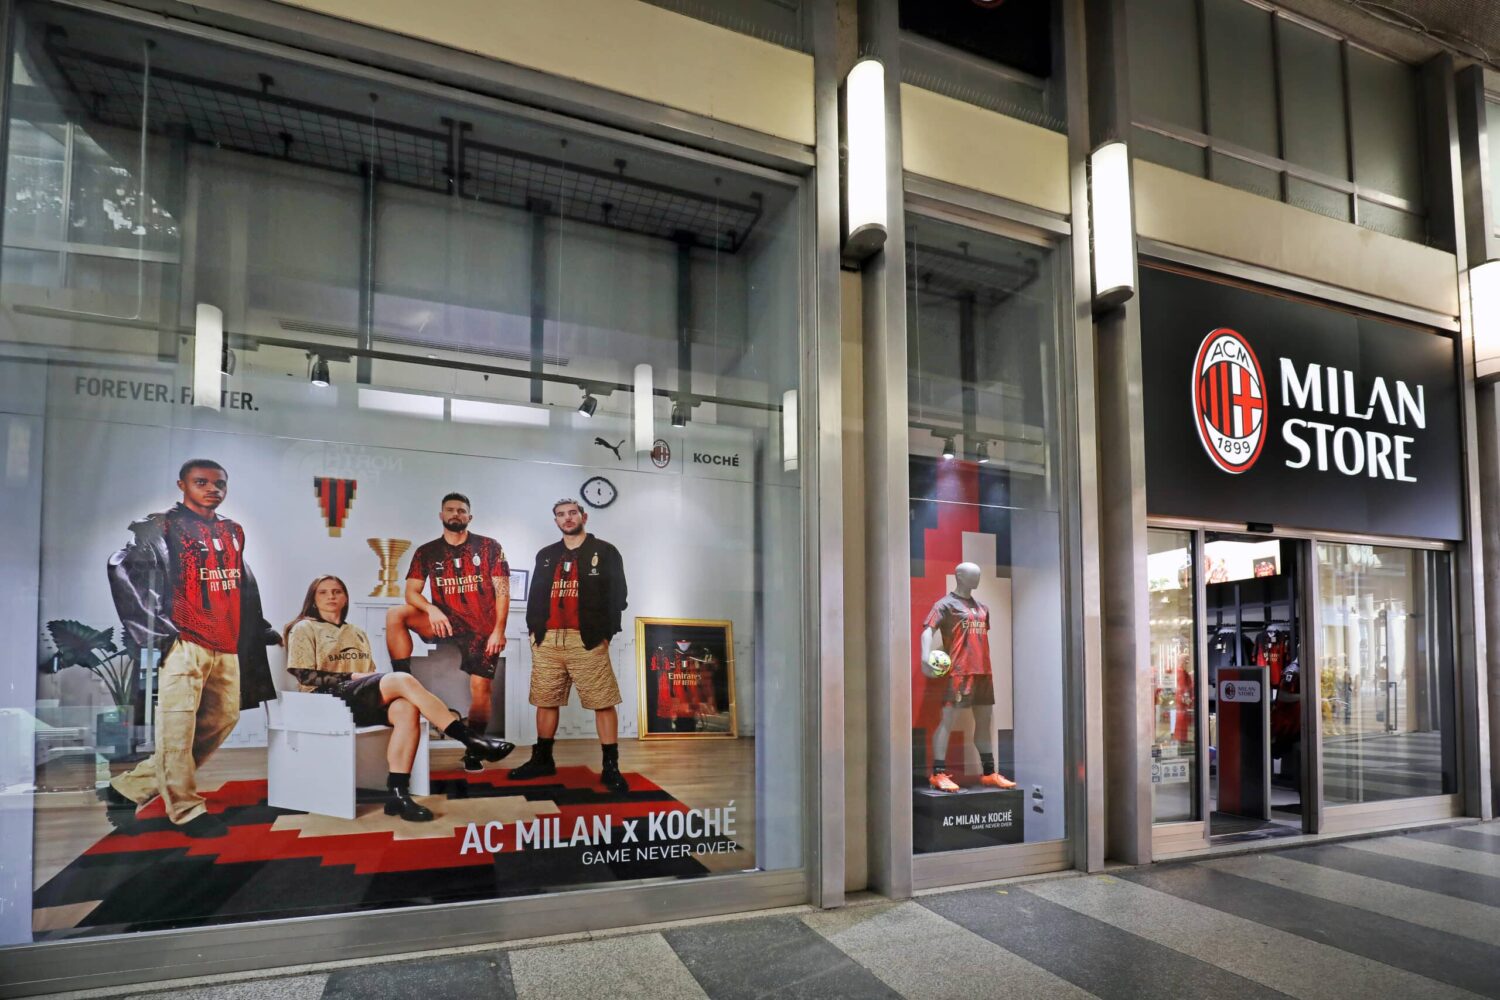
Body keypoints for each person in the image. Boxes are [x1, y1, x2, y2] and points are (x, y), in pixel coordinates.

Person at [100, 459, 281, 838]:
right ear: (182, 484)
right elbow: (120, 568)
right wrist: (156, 634)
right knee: (177, 730)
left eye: (219, 484)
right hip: (183, 642)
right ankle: (184, 809)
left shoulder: (234, 530)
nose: (212, 489)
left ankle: (130, 786)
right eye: (202, 482)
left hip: (227, 643)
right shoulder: (162, 526)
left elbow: (240, 581)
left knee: (223, 719)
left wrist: (258, 626)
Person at [285, 575, 514, 821]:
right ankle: (470, 739)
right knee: (402, 679)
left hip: (354, 700)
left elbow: (369, 673)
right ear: (313, 599)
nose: (331, 596)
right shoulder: (304, 628)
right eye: (323, 592)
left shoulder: (357, 633)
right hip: (322, 701)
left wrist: (364, 677)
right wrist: (352, 675)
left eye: (337, 591)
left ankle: (398, 793)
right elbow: (303, 675)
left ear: (345, 598)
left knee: (407, 708)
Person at [509, 499, 629, 793]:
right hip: (548, 639)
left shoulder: (605, 551)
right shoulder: (546, 555)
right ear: (556, 521)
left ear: (583, 516)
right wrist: (535, 633)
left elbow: (618, 596)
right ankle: (542, 759)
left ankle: (610, 766)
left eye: (572, 513)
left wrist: (606, 634)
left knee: (602, 702)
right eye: (561, 515)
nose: (567, 518)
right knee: (545, 699)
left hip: (586, 639)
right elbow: (535, 596)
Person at [387, 492, 511, 772]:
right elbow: (410, 592)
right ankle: (402, 679)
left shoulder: (490, 546)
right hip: (447, 620)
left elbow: (503, 591)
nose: (456, 514)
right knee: (396, 614)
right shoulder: (427, 551)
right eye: (450, 510)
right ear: (441, 515)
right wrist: (431, 609)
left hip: (482, 627)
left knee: (481, 689)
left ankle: (474, 749)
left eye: (461, 510)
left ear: (470, 517)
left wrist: (498, 631)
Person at [920, 562, 1017, 793]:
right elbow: (927, 630)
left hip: (984, 671)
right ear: (959, 577)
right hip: (960, 671)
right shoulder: (945, 604)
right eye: (972, 574)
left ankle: (989, 773)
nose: (977, 578)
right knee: (947, 720)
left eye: (979, 574)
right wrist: (925, 656)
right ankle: (938, 773)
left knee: (983, 722)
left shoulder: (983, 608)